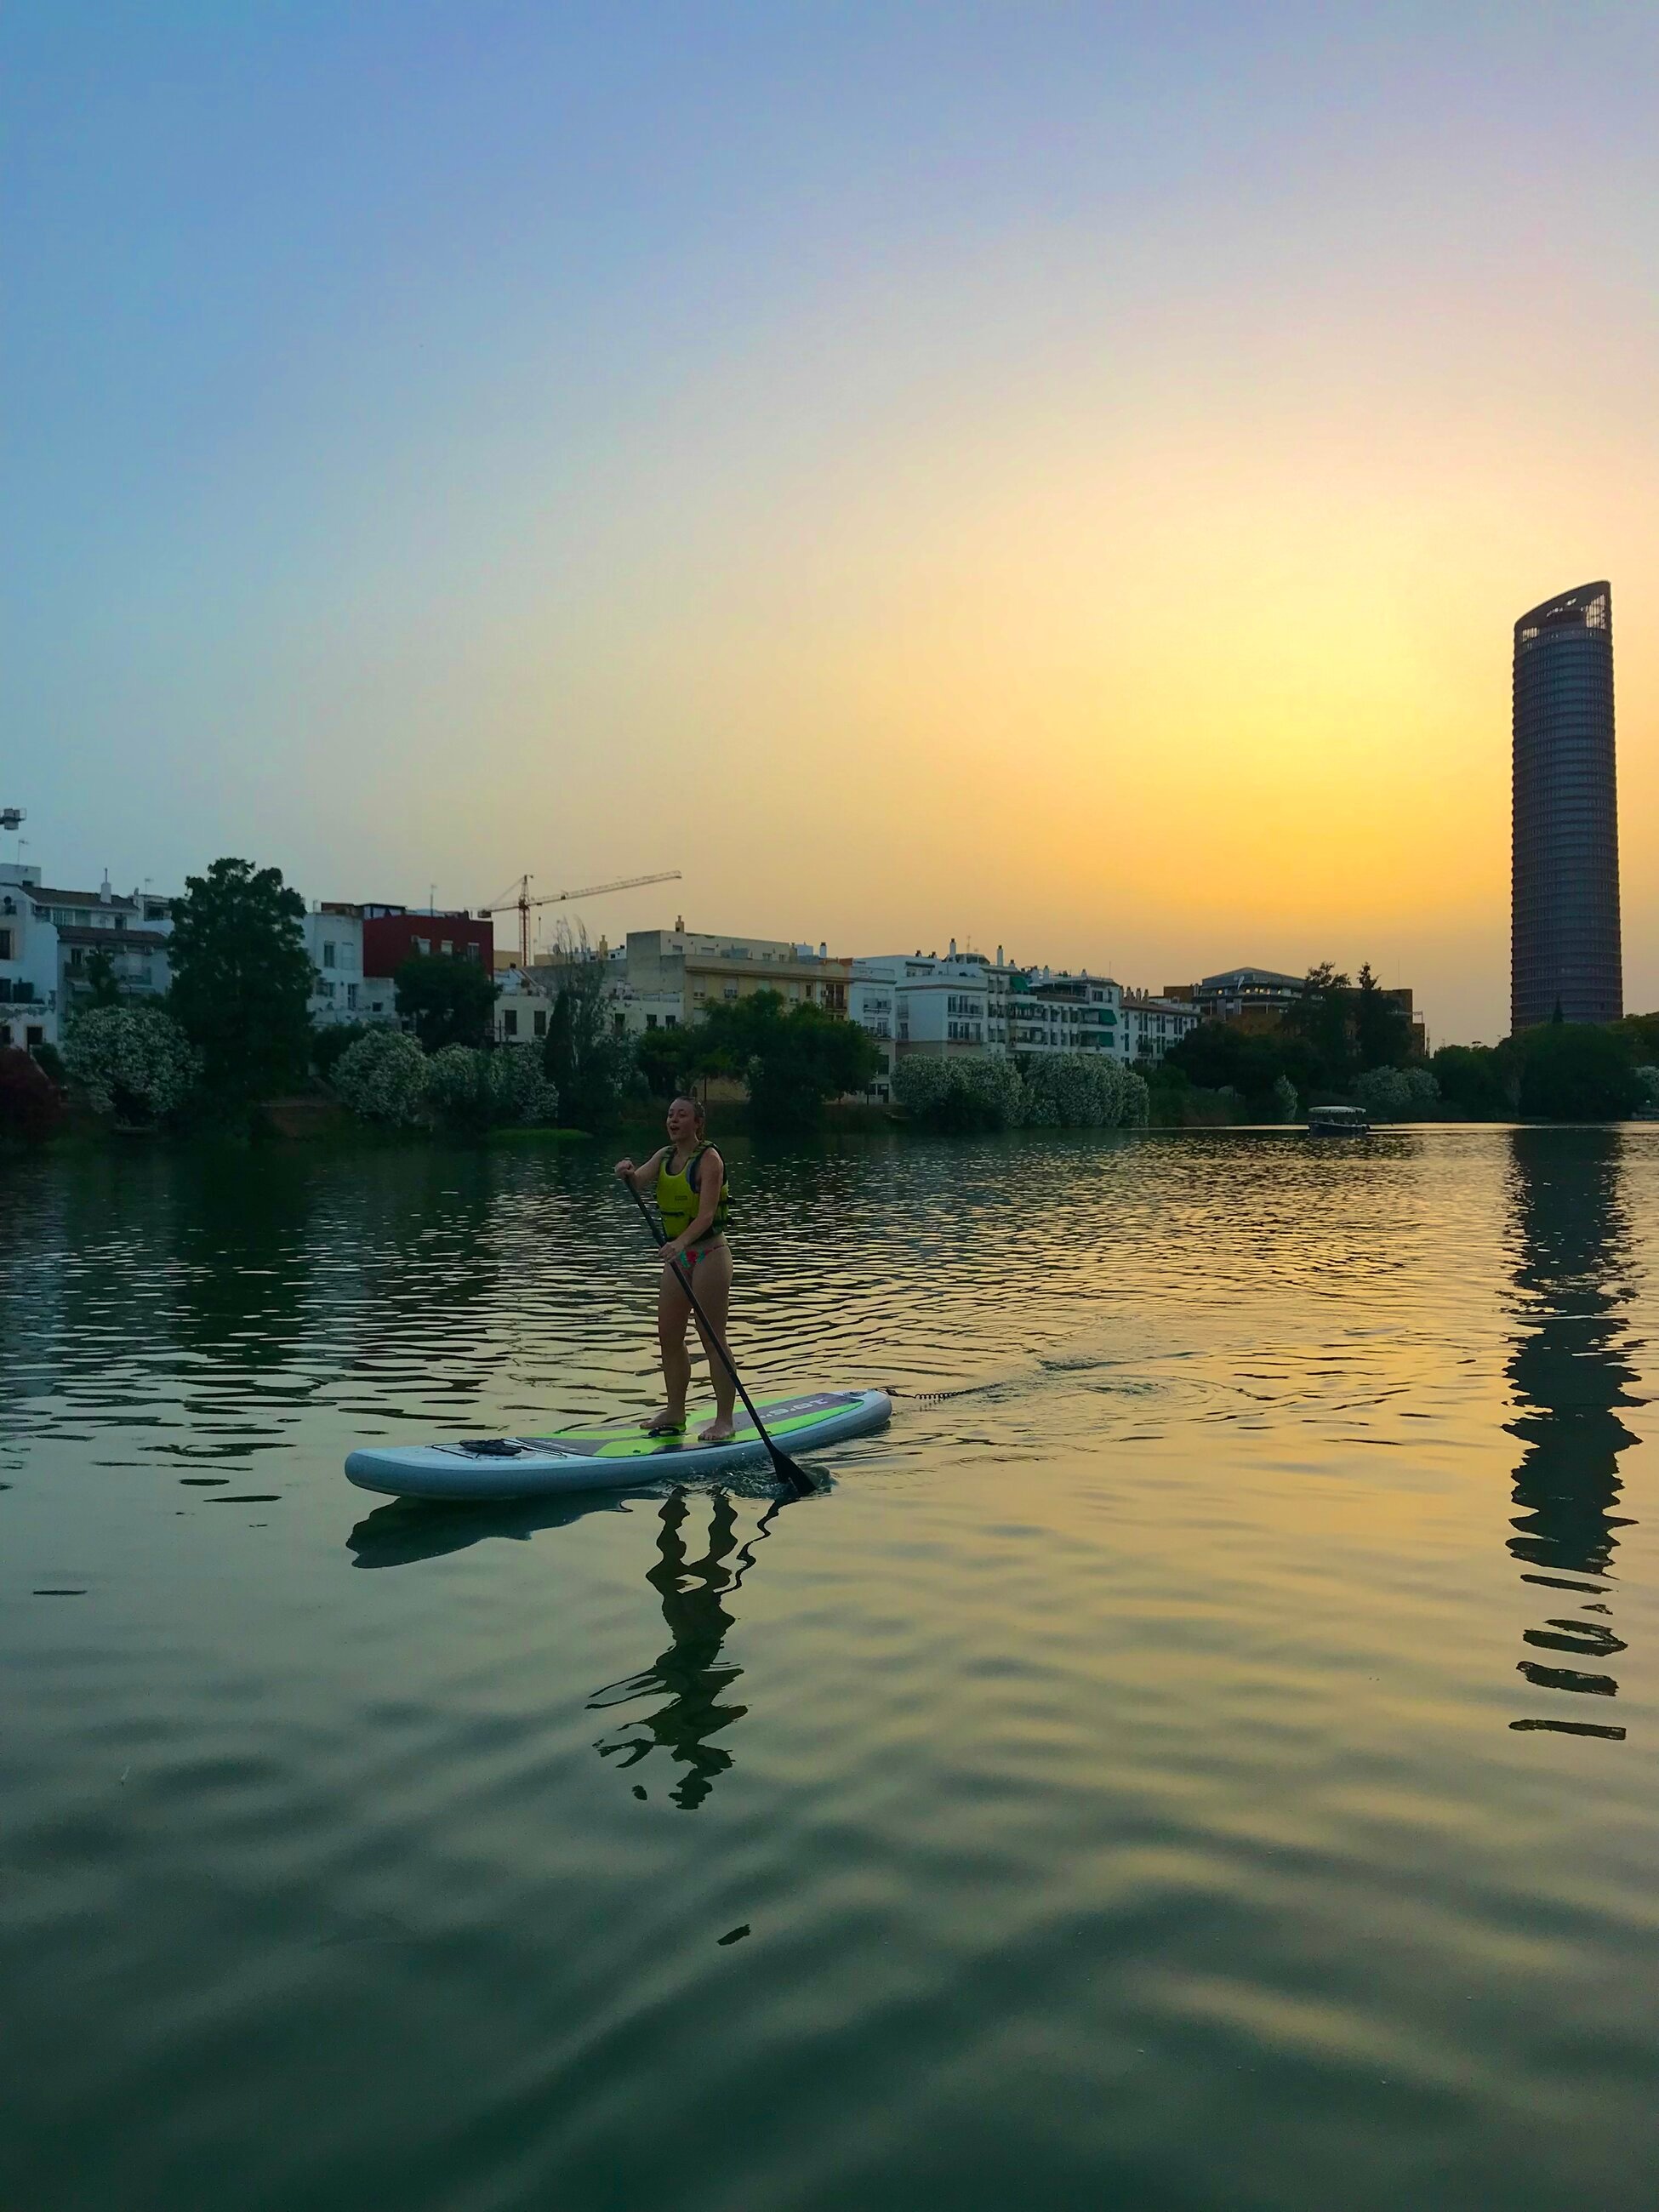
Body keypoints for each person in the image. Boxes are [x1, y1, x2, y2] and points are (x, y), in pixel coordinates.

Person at [615, 1096, 736, 1441]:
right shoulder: (663, 1156)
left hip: (709, 1254)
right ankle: (675, 1412)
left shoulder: (709, 1159)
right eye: (670, 1114)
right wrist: (625, 1172)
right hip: (677, 1258)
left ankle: (724, 1420)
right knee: (668, 1334)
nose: (673, 1120)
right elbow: (636, 1182)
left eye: (682, 1115)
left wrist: (681, 1243)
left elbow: (707, 1215)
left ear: (697, 1122)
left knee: (712, 1338)